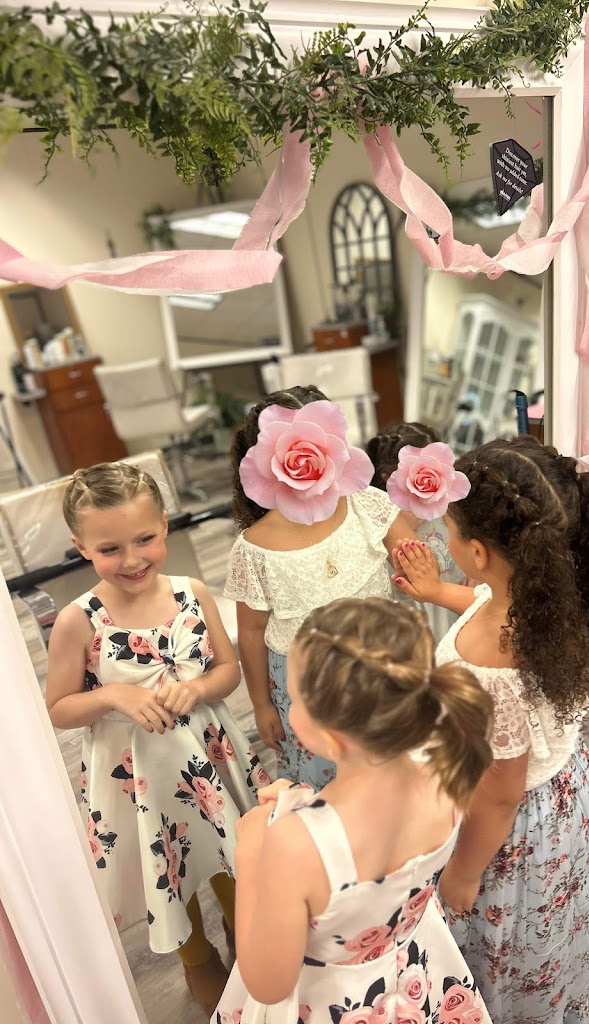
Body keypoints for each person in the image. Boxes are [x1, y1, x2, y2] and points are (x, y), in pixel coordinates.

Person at [393, 437, 589, 1024]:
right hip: (560, 797)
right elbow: (483, 600)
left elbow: (497, 795)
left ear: (476, 552)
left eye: (448, 531)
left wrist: (463, 873)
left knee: (501, 942)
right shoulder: (568, 593)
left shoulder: (489, 664)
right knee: (545, 927)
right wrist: (436, 592)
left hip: (505, 827)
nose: (444, 541)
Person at [46, 462, 270, 1016]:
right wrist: (112, 695)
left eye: (144, 539)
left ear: (165, 525)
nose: (132, 560)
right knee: (167, 865)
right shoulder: (79, 620)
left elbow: (227, 671)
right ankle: (197, 958)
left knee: (231, 851)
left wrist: (196, 688)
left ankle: (248, 939)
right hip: (136, 775)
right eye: (110, 549)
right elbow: (58, 707)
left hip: (207, 755)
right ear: (81, 548)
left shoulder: (193, 592)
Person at [214, 596, 496, 1024]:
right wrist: (304, 805)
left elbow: (268, 985)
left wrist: (251, 852)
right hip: (419, 971)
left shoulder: (294, 845)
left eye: (294, 699)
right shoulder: (450, 764)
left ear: (330, 738)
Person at [226, 386, 416, 789]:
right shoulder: (254, 548)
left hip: (381, 662)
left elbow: (414, 560)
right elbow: (251, 631)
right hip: (306, 685)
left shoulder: (365, 502)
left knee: (389, 768)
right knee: (326, 779)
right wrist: (261, 704)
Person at [366, 422, 469, 640]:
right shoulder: (384, 519)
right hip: (414, 618)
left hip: (458, 603)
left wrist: (476, 572)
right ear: (388, 477)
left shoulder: (451, 504)